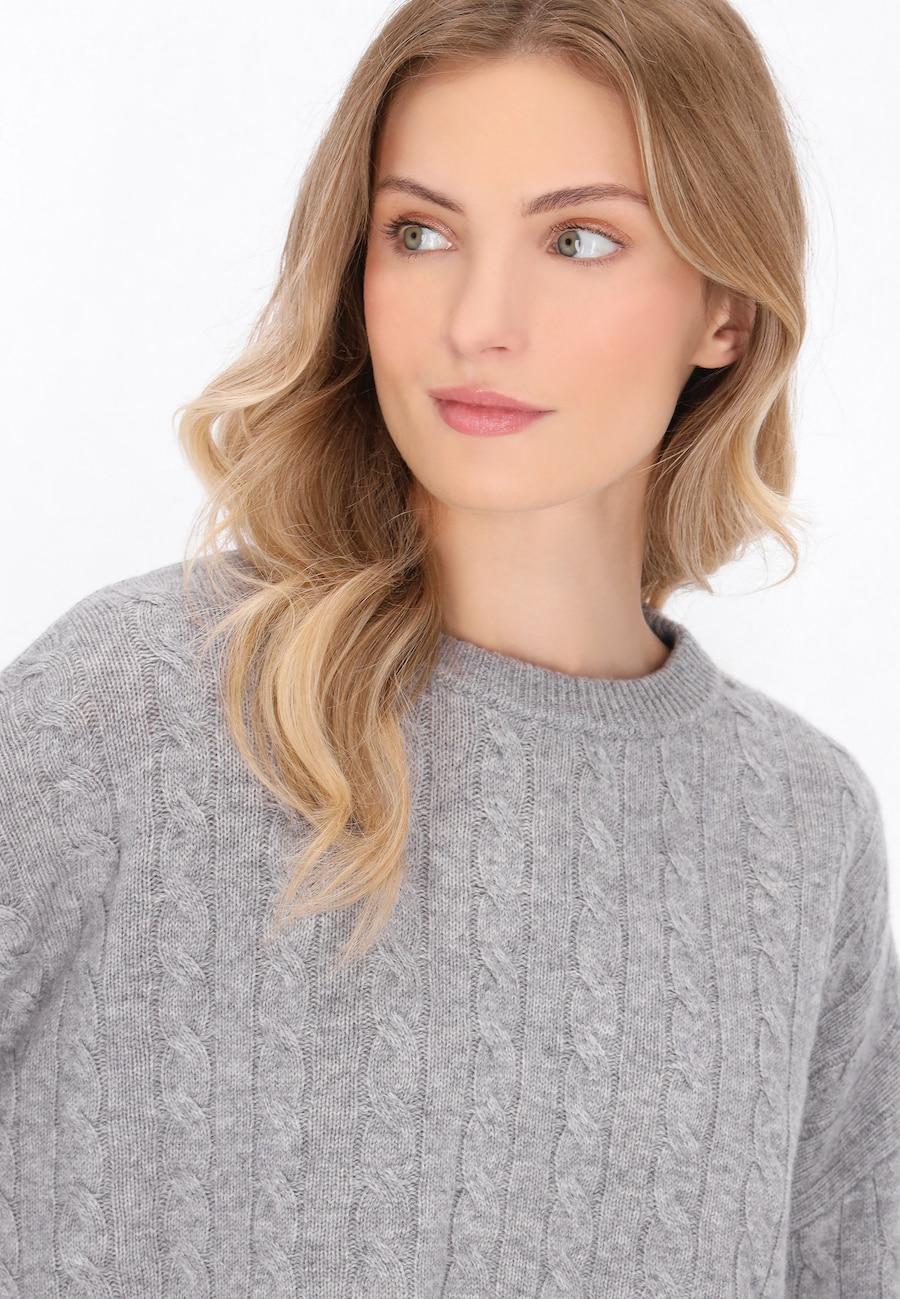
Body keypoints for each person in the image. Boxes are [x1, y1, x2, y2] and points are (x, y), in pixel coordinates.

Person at [2, 0, 898, 1294]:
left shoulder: (800, 832)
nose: (479, 320)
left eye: (578, 240)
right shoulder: (132, 708)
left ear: (727, 312)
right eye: (418, 233)